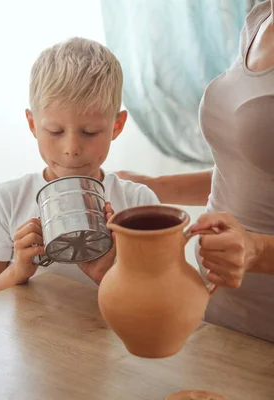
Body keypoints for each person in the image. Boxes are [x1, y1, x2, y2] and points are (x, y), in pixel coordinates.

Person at [117, 0, 274, 343]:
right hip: (217, 309)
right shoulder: (261, 15)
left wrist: (257, 250)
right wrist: (153, 188)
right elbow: (251, 172)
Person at [0, 37, 160, 297]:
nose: (71, 148)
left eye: (90, 132)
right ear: (33, 124)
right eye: (55, 131)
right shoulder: (7, 200)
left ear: (117, 126)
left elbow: (157, 301)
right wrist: (18, 272)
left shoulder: (138, 205)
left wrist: (107, 278)